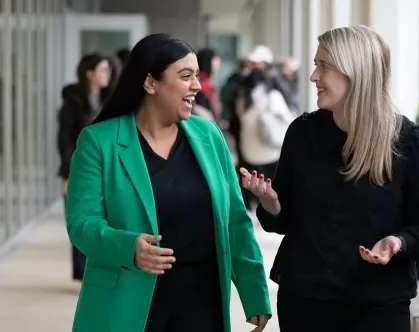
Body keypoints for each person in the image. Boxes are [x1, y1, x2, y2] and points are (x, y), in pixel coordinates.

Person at [241, 25, 419, 331]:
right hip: (305, 301)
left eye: (324, 66)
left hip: (378, 307)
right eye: (315, 66)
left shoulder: (406, 141)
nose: (313, 77)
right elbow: (284, 222)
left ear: (356, 71)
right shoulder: (302, 133)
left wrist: (398, 243)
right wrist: (271, 202)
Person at [65, 33, 271, 332]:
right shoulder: (99, 142)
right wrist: (127, 247)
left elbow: (235, 223)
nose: (197, 86)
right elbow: (82, 223)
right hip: (127, 302)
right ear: (150, 83)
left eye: (197, 76)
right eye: (186, 76)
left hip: (202, 303)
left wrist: (255, 295)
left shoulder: (209, 136)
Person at [57, 53, 113, 282]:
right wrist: (70, 172)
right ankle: (83, 273)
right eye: (102, 69)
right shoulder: (73, 104)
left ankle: (99, 268)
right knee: (81, 219)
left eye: (108, 70)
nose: (107, 74)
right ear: (89, 73)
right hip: (77, 171)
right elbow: (64, 140)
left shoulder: (109, 101)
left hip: (106, 170)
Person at [236, 68, 293, 209]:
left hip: (248, 152)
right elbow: (287, 119)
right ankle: (271, 209)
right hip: (271, 152)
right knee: (273, 184)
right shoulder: (273, 96)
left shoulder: (242, 99)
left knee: (253, 182)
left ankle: (252, 207)